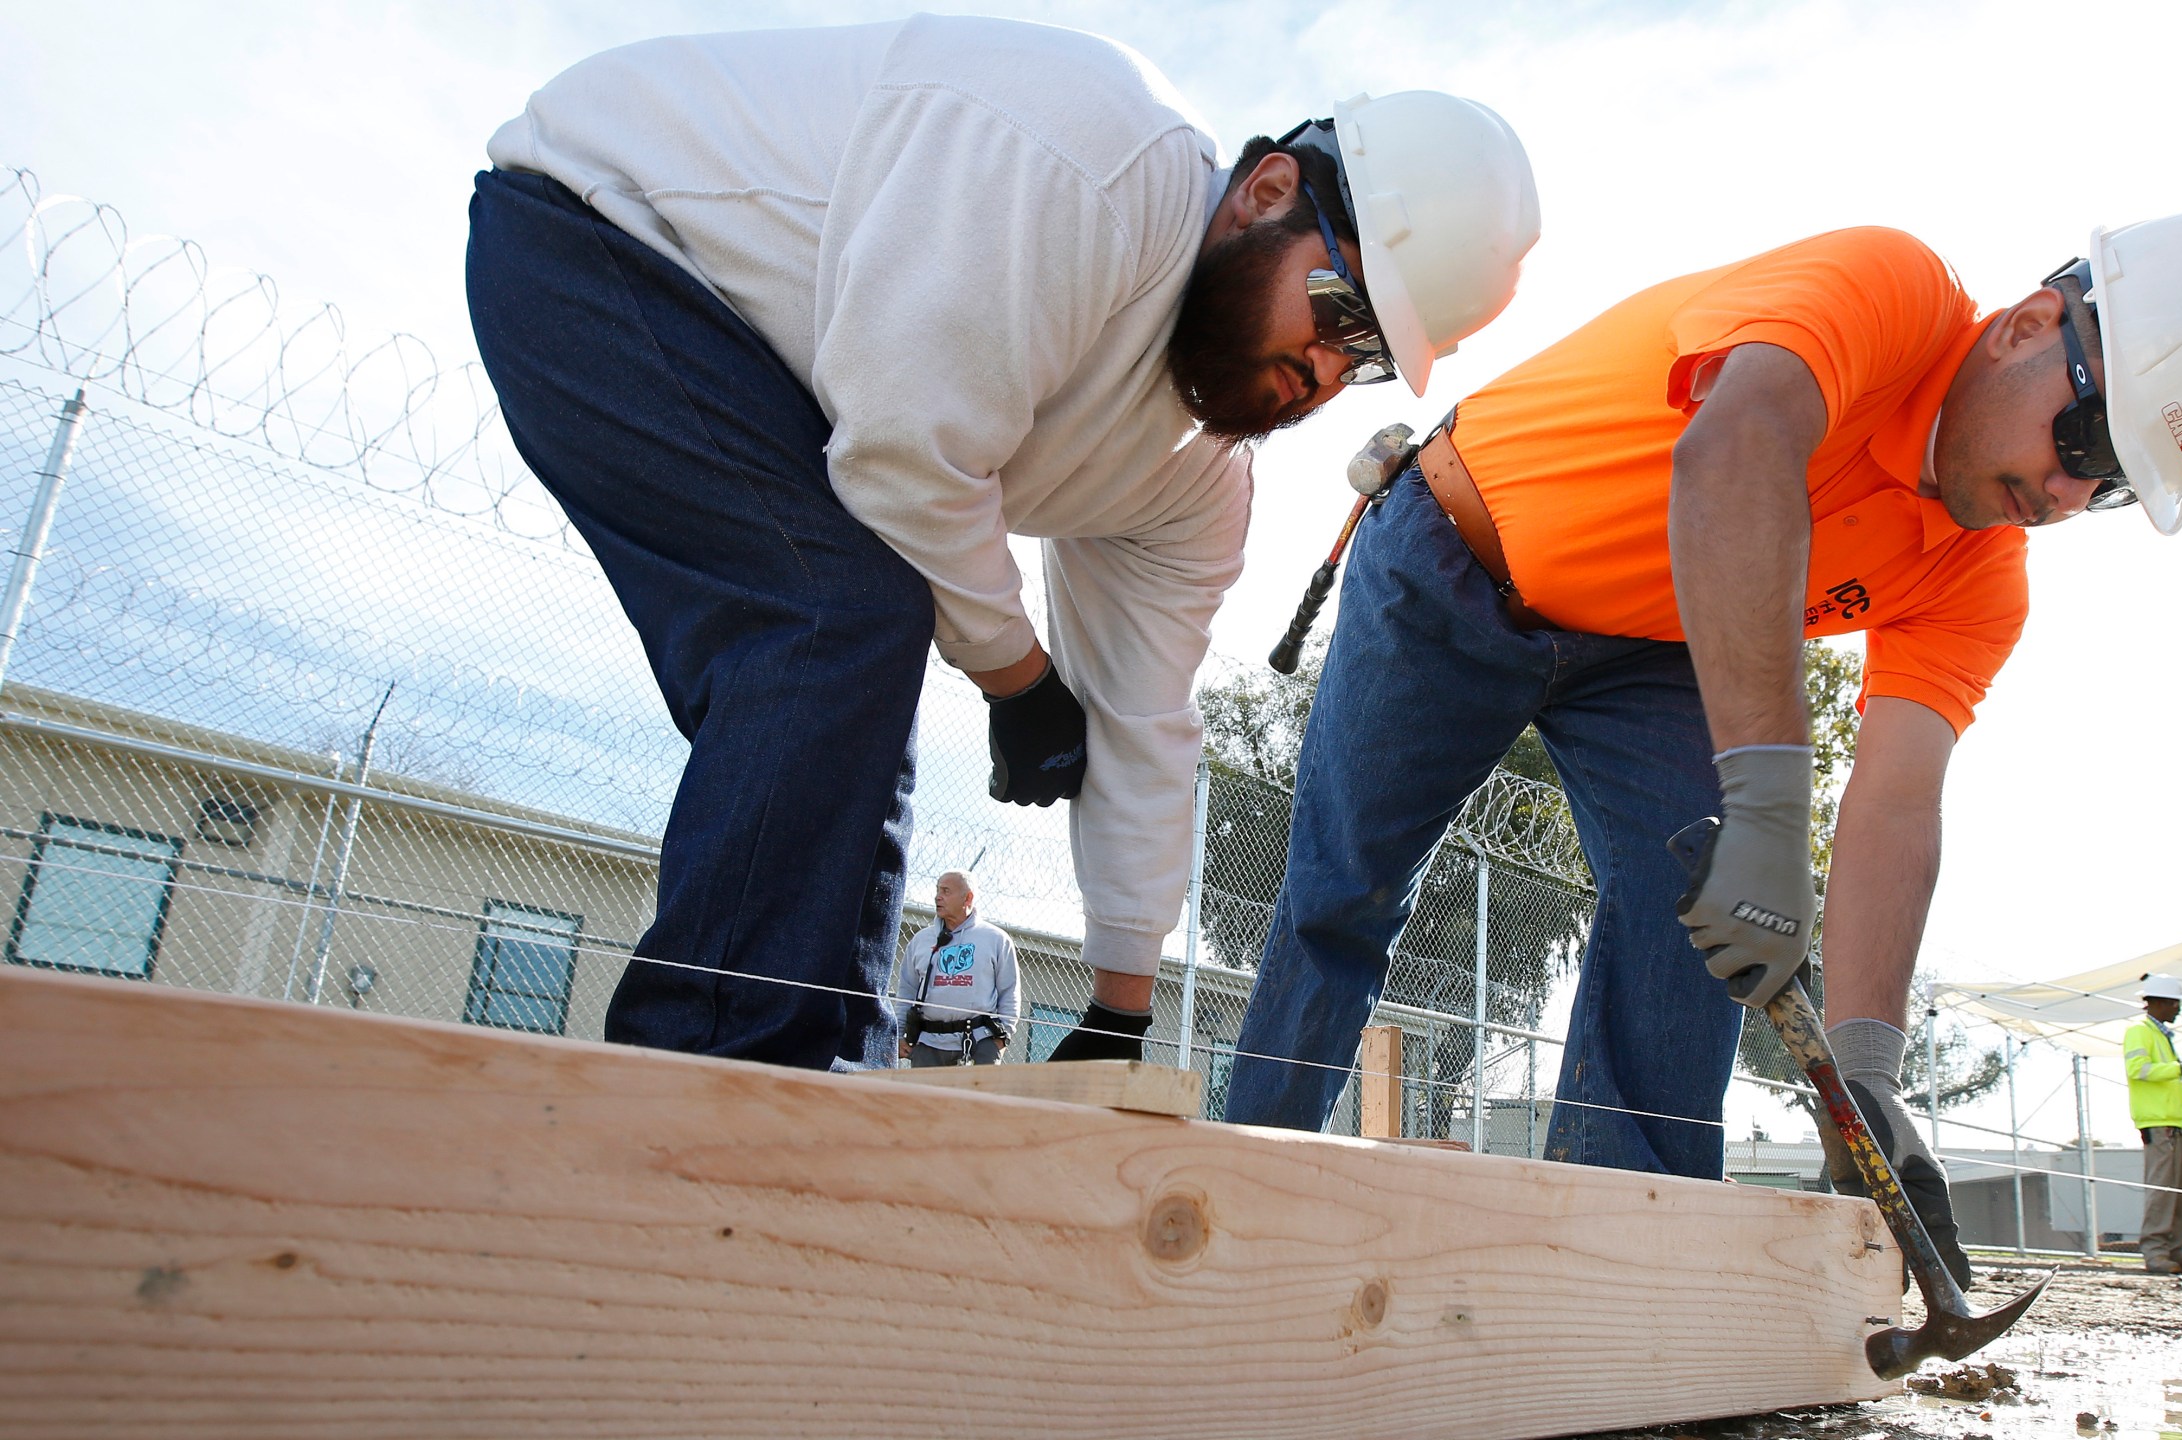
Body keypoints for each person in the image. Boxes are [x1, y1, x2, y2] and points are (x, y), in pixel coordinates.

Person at [1226, 216, 2182, 1290]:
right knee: (1346, 885)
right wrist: (1763, 798)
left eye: (2109, 490)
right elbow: (1736, 444)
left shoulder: (1980, 577)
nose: (2062, 494)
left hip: (1649, 647)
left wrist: (1865, 1077)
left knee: (1695, 924)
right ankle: (1250, 1211)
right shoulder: (1888, 291)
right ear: (2029, 324)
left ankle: (1627, 1273)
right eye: (2084, 441)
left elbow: (1898, 799)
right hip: (1452, 552)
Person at [464, 16, 1539, 1072]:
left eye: (1364, 360)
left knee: (861, 641)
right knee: (835, 618)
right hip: (604, 227)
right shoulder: (1095, 162)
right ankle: (704, 1079)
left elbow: (1142, 717)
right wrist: (1019, 678)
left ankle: (819, 1070)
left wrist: (1120, 1008)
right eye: (1335, 307)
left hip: (785, 367)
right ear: (1265, 191)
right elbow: (900, 454)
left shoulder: (1196, 482)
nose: (1322, 367)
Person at [2127, 974, 2182, 1275]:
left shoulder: (2160, 1035)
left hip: (2175, 1123)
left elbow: (2166, 1080)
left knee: (2181, 1191)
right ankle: (2155, 1250)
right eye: (2175, 1003)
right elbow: (2138, 1070)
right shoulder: (2139, 1031)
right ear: (2159, 1002)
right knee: (2162, 1191)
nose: (2178, 1009)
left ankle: (2175, 1248)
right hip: (2159, 1124)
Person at [889, 872, 1021, 1067]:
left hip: (979, 1042)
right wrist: (900, 1035)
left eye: (946, 891)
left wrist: (1002, 1039)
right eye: (937, 890)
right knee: (924, 1098)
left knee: (976, 1098)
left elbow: (1009, 992)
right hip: (928, 1044)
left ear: (967, 898)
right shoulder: (921, 940)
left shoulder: (996, 940)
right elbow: (906, 992)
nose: (937, 897)